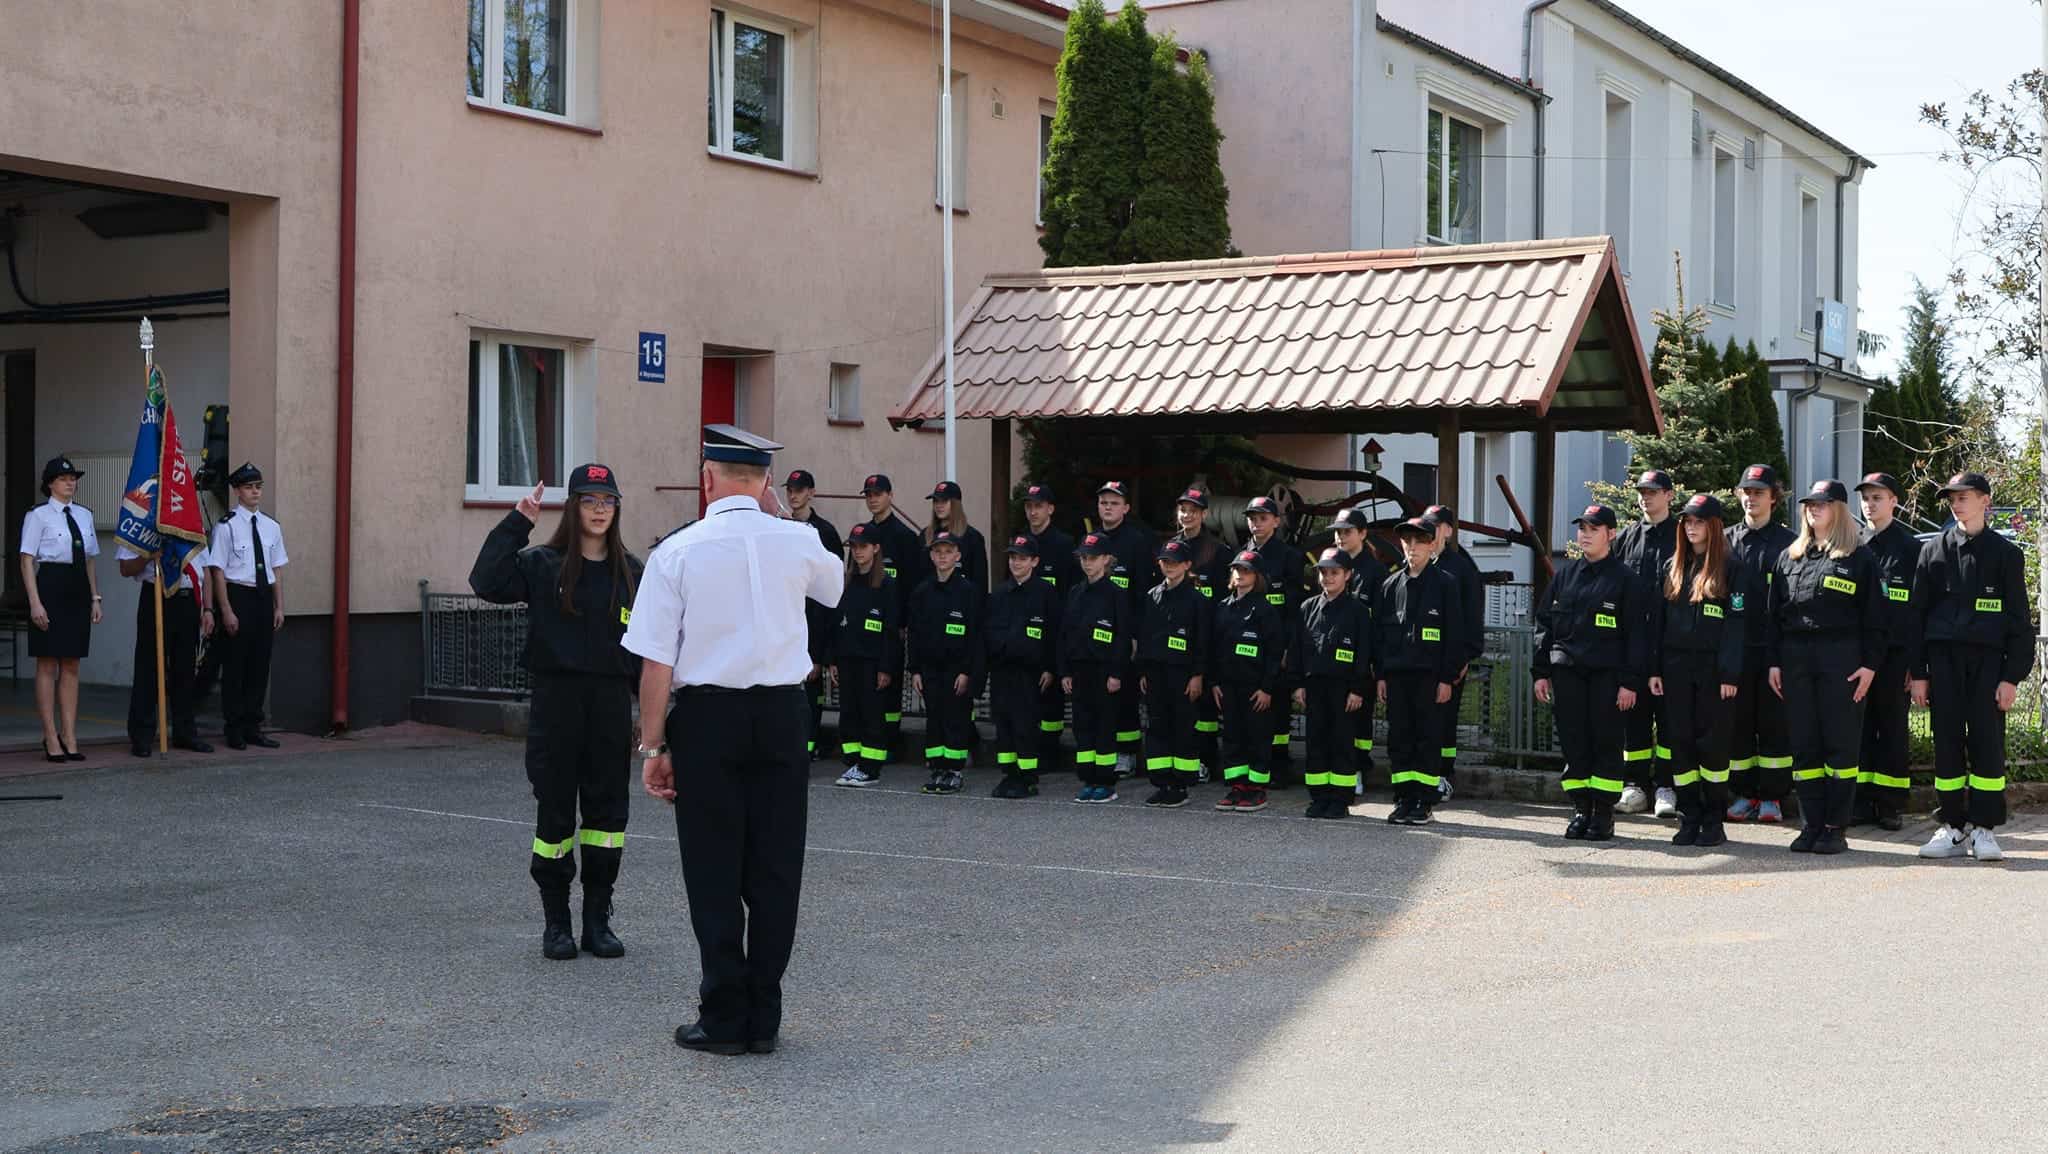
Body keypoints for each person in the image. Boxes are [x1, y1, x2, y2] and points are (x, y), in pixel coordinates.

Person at [629, 424, 844, 1056]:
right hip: (782, 715)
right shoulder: (797, 539)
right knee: (776, 868)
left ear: (707, 478)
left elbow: (656, 664)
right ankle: (764, 1017)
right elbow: (834, 586)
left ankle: (724, 1016)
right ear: (767, 482)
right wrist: (782, 518)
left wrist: (653, 748)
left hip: (708, 720)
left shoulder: (677, 552)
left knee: (713, 868)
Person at [469, 465, 643, 960]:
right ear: (573, 508)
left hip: (609, 704)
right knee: (555, 815)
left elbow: (648, 647)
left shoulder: (633, 573)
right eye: (589, 500)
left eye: (607, 501)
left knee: (607, 817)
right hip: (557, 704)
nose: (599, 510)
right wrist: (517, 522)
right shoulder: (544, 565)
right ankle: (556, 923)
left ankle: (597, 921)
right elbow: (486, 580)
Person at [1911, 472, 2035, 861]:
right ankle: (1952, 828)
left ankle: (1984, 829)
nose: (1956, 504)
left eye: (1964, 497)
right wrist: (1919, 674)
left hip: (1988, 664)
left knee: (1987, 745)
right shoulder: (1933, 551)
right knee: (1946, 744)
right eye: (1952, 498)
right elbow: (1916, 617)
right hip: (1944, 662)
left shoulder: (2006, 554)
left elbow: (2019, 622)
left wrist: (2011, 677)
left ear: (1985, 500)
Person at [1767, 481, 1885, 856]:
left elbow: (1876, 620)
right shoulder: (1789, 557)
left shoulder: (1859, 558)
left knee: (1840, 746)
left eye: (1822, 503)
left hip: (1841, 659)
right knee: (1805, 746)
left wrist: (1869, 666)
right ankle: (1811, 824)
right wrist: (1774, 662)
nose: (1813, 509)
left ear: (1839, 509)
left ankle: (1835, 826)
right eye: (1809, 504)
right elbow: (1772, 617)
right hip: (1796, 659)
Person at [1533, 504, 1649, 841]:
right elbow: (1544, 626)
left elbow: (1636, 637)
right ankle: (1581, 809)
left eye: (1593, 529)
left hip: (1607, 678)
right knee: (1574, 744)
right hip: (1567, 674)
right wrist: (1540, 672)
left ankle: (1603, 814)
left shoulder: (1626, 581)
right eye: (1582, 528)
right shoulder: (1565, 576)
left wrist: (1629, 682)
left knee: (1606, 744)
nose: (1585, 534)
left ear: (1610, 534)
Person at [1652, 494, 1745, 848]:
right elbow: (1658, 623)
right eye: (1687, 522)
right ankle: (1689, 816)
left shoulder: (1731, 568)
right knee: (1681, 744)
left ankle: (1713, 820)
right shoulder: (1673, 566)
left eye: (1699, 522)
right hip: (1675, 669)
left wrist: (1729, 674)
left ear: (1714, 526)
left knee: (1713, 747)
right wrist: (1654, 670)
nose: (1691, 528)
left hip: (1713, 672)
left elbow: (1736, 626)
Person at [1377, 518, 1462, 825]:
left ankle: (1424, 802)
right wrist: (1381, 676)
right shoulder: (1390, 585)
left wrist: (1446, 678)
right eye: (1407, 542)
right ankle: (1403, 798)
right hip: (1397, 676)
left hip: (1430, 677)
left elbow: (1454, 637)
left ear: (1431, 545)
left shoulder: (1446, 584)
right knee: (1399, 738)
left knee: (1427, 738)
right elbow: (1380, 636)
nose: (1412, 548)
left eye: (1418, 542)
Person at [1723, 464, 1797, 823]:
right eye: (1746, 492)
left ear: (1773, 498)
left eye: (1759, 493)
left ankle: (1772, 797)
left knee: (1774, 725)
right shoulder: (1725, 540)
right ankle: (1744, 793)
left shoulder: (1789, 543)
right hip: (1735, 651)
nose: (1751, 498)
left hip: (1772, 650)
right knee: (1737, 724)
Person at [20, 456, 102, 762]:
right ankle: (50, 735)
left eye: (73, 478)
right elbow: (27, 560)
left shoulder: (84, 515)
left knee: (71, 663)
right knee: (46, 663)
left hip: (77, 588)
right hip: (50, 587)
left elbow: (90, 560)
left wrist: (95, 598)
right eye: (64, 479)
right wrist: (34, 602)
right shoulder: (38, 515)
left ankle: (69, 734)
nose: (71, 483)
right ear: (50, 484)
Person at [1853, 472, 1919, 831]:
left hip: (1895, 658)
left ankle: (1890, 804)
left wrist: (1914, 663)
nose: (1869, 504)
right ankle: (1861, 801)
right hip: (1859, 657)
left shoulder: (1911, 549)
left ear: (1894, 501)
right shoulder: (1852, 544)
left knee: (1892, 729)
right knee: (1859, 728)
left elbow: (1919, 611)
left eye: (1877, 498)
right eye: (1865, 498)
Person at [1615, 470, 1681, 818]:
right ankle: (1635, 785)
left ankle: (1667, 787)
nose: (1645, 497)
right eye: (1642, 491)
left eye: (1653, 491)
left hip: (1671, 645)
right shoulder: (1627, 538)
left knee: (1670, 721)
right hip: (1633, 646)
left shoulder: (1683, 536)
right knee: (1634, 722)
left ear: (1669, 495)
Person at [209, 462, 288, 750]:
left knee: (259, 665)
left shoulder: (271, 526)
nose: (255, 492)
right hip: (238, 595)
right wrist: (226, 610)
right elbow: (218, 571)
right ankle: (234, 728)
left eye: (258, 487)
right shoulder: (227, 527)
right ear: (237, 491)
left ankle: (253, 726)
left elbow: (276, 569)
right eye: (249, 487)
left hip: (262, 597)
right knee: (235, 666)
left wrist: (279, 606)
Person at [1290, 548, 1372, 820]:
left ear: (1347, 575)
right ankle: (1319, 797)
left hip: (1344, 689)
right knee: (1316, 743)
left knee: (1341, 744)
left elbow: (1364, 654)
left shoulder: (1358, 611)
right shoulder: (1307, 608)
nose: (1328, 578)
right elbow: (1297, 649)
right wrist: (1298, 684)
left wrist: (1358, 689)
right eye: (1323, 573)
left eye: (1334, 572)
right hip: (1314, 687)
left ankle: (1340, 799)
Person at [116, 535, 215, 757]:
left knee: (185, 670)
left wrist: (208, 609)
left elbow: (205, 569)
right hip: (155, 595)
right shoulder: (144, 524)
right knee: (148, 667)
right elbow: (125, 569)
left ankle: (185, 732)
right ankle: (142, 735)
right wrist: (149, 555)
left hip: (188, 600)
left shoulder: (193, 525)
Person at [908, 530, 984, 795]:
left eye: (948, 552)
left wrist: (967, 671)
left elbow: (975, 636)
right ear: (931, 556)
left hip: (956, 670)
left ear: (958, 556)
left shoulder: (968, 592)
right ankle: (938, 768)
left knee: (955, 720)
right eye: (938, 552)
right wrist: (915, 670)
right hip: (929, 669)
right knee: (935, 720)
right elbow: (914, 634)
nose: (942, 557)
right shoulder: (922, 592)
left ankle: (954, 771)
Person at [986, 534, 1060, 798]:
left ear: (1034, 561)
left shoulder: (1045, 593)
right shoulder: (999, 593)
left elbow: (1054, 634)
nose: (1016, 563)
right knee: (1003, 724)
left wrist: (1050, 668)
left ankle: (1027, 777)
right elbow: (988, 631)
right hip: (1002, 670)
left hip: (1030, 673)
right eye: (1013, 558)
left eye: (1022, 558)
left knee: (1025, 726)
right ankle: (1009, 774)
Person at [1210, 551, 1284, 813]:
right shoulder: (1222, 607)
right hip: (1228, 686)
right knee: (1232, 737)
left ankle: (1257, 789)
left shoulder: (1265, 610)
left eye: (1246, 570)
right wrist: (1215, 682)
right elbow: (1214, 648)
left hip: (1255, 688)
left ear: (1257, 576)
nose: (1240, 575)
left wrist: (1266, 688)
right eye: (1237, 570)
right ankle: (1237, 786)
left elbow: (1274, 653)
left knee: (1257, 738)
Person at [1137, 538, 1209, 808]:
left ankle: (1180, 785)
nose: (1169, 566)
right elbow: (1145, 636)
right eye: (1165, 561)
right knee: (1157, 728)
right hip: (1156, 673)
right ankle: (1161, 783)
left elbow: (1202, 642)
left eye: (1175, 562)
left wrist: (1198, 675)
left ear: (1187, 565)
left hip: (1183, 674)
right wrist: (1143, 671)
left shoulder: (1197, 600)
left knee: (1182, 728)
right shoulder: (1152, 596)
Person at [1060, 531, 1131, 803]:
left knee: (1104, 727)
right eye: (1084, 558)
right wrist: (1065, 671)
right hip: (1079, 670)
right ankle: (1088, 778)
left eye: (1093, 558)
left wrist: (1116, 673)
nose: (1087, 563)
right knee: (1083, 727)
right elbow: (1065, 634)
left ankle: (1105, 782)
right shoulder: (1075, 592)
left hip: (1104, 671)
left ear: (1106, 560)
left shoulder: (1116, 594)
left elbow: (1122, 638)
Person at [1090, 481, 1155, 775]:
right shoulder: (1091, 540)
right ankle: (1101, 749)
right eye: (1104, 502)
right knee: (1099, 695)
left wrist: (1136, 635)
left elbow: (1142, 593)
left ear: (1126, 508)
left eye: (1114, 503)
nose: (1108, 507)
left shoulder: (1137, 542)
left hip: (1125, 632)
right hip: (1095, 632)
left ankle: (1127, 753)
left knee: (1125, 694)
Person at [1243, 495, 1308, 787]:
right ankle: (1253, 762)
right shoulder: (1242, 555)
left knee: (1278, 709)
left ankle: (1279, 763)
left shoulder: (1289, 557)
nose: (1256, 524)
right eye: (1252, 519)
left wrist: (1287, 648)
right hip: (1248, 645)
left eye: (1263, 518)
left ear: (1276, 522)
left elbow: (1294, 610)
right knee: (1251, 707)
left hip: (1277, 646)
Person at [830, 522, 900, 789]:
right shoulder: (846, 582)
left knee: (872, 714)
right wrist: (832, 659)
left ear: (876, 548)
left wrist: (886, 667)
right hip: (847, 659)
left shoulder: (886, 585)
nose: (858, 551)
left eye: (863, 546)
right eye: (854, 546)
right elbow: (835, 622)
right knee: (849, 712)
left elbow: (891, 630)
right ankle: (853, 762)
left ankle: (870, 767)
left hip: (872, 661)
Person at [1423, 505, 1485, 802]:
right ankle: (1420, 777)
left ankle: (1443, 776)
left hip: (1449, 662)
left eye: (1434, 526)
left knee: (1445, 722)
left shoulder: (1461, 568)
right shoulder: (1417, 564)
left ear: (1448, 530)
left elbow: (1472, 617)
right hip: (1419, 660)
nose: (1428, 533)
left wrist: (1464, 658)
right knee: (1421, 722)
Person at [859, 474, 922, 758]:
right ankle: (871, 739)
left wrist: (905, 622)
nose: (873, 499)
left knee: (891, 684)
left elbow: (912, 585)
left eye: (878, 494)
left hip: (894, 625)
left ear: (890, 496)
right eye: (869, 494)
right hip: (867, 624)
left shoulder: (904, 537)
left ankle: (891, 741)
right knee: (869, 684)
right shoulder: (862, 536)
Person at [1020, 481, 1078, 770]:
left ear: (1050, 509)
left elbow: (1071, 591)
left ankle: (1050, 751)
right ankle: (1030, 749)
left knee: (1051, 696)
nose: (1033, 512)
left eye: (1039, 506)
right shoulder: (1020, 542)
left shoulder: (1064, 545)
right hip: (1025, 632)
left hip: (1054, 630)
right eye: (1029, 507)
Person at [786, 468, 842, 759]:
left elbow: (833, 589)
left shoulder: (825, 533)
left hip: (815, 621)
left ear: (811, 492)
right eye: (790, 490)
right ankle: (792, 746)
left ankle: (806, 748)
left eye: (799, 490)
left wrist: (823, 652)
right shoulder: (781, 527)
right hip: (787, 619)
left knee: (810, 690)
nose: (793, 495)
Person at [1331, 506, 1386, 794]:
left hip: (1363, 659)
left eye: (1347, 532)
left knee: (1360, 717)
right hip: (1333, 659)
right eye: (1338, 532)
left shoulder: (1375, 572)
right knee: (1336, 716)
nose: (1341, 537)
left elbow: (1381, 622)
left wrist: (1377, 663)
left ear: (1363, 534)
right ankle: (1337, 768)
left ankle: (1358, 768)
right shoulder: (1329, 566)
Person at [923, 481, 989, 592]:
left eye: (944, 501)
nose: (939, 505)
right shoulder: (925, 535)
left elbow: (980, 583)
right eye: (936, 501)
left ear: (956, 504)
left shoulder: (973, 538)